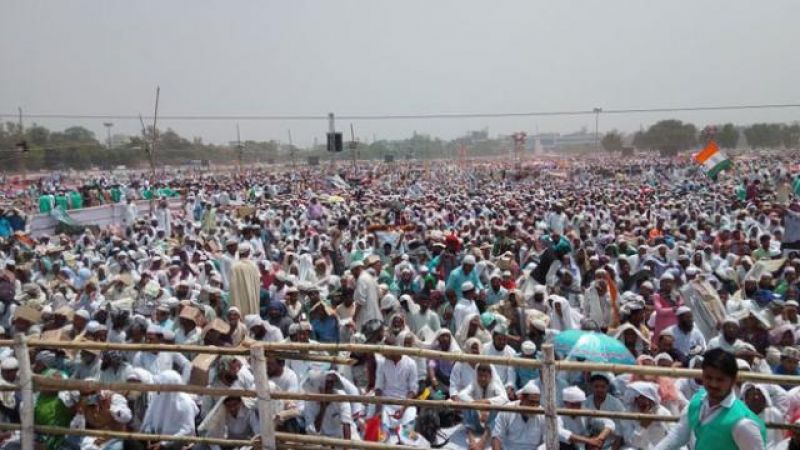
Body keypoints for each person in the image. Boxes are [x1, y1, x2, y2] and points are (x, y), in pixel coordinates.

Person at [654, 348, 767, 450]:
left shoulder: (742, 423)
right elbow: (678, 435)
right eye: (709, 377)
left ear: (733, 381)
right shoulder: (697, 401)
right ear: (702, 375)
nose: (713, 384)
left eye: (720, 380)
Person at [490, 381, 549, 450]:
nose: (535, 407)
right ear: (522, 399)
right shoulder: (507, 409)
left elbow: (547, 441)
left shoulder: (542, 414)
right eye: (531, 402)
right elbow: (496, 436)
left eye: (537, 403)